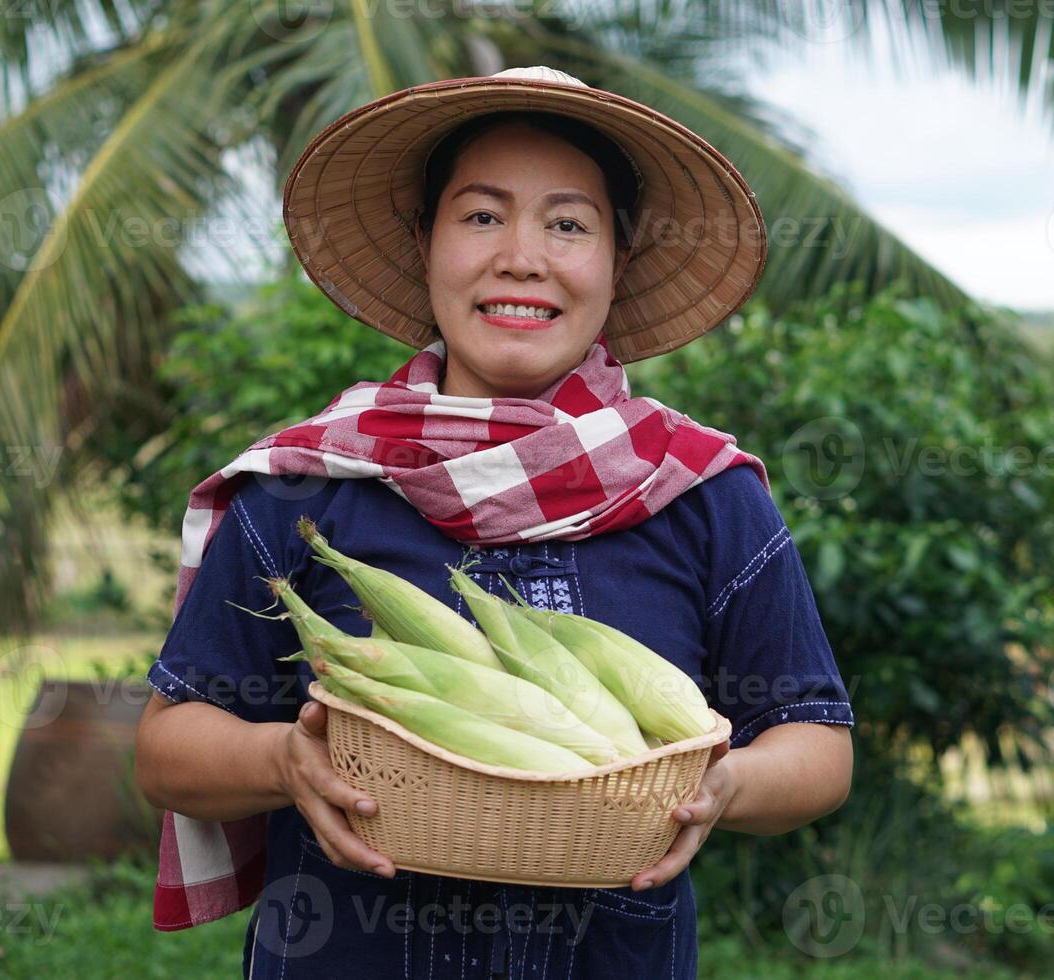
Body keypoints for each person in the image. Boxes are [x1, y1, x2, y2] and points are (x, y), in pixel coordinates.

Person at [134, 65, 855, 979]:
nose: (522, 256)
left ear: (617, 261)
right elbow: (165, 750)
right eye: (480, 216)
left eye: (567, 223)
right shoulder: (305, 487)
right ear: (425, 243)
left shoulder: (702, 491)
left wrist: (724, 784)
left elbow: (817, 743)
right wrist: (285, 761)